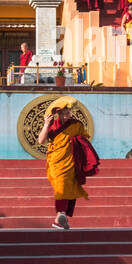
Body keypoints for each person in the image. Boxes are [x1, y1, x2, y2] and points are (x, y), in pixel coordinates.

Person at [37, 97, 99, 230]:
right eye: (64, 114)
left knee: (69, 187)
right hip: (56, 162)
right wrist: (46, 124)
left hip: (71, 161)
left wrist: (77, 140)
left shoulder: (76, 125)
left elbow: (84, 140)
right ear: (59, 114)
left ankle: (60, 217)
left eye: (68, 113)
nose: (67, 116)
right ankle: (60, 214)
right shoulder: (52, 125)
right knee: (61, 186)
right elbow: (41, 141)